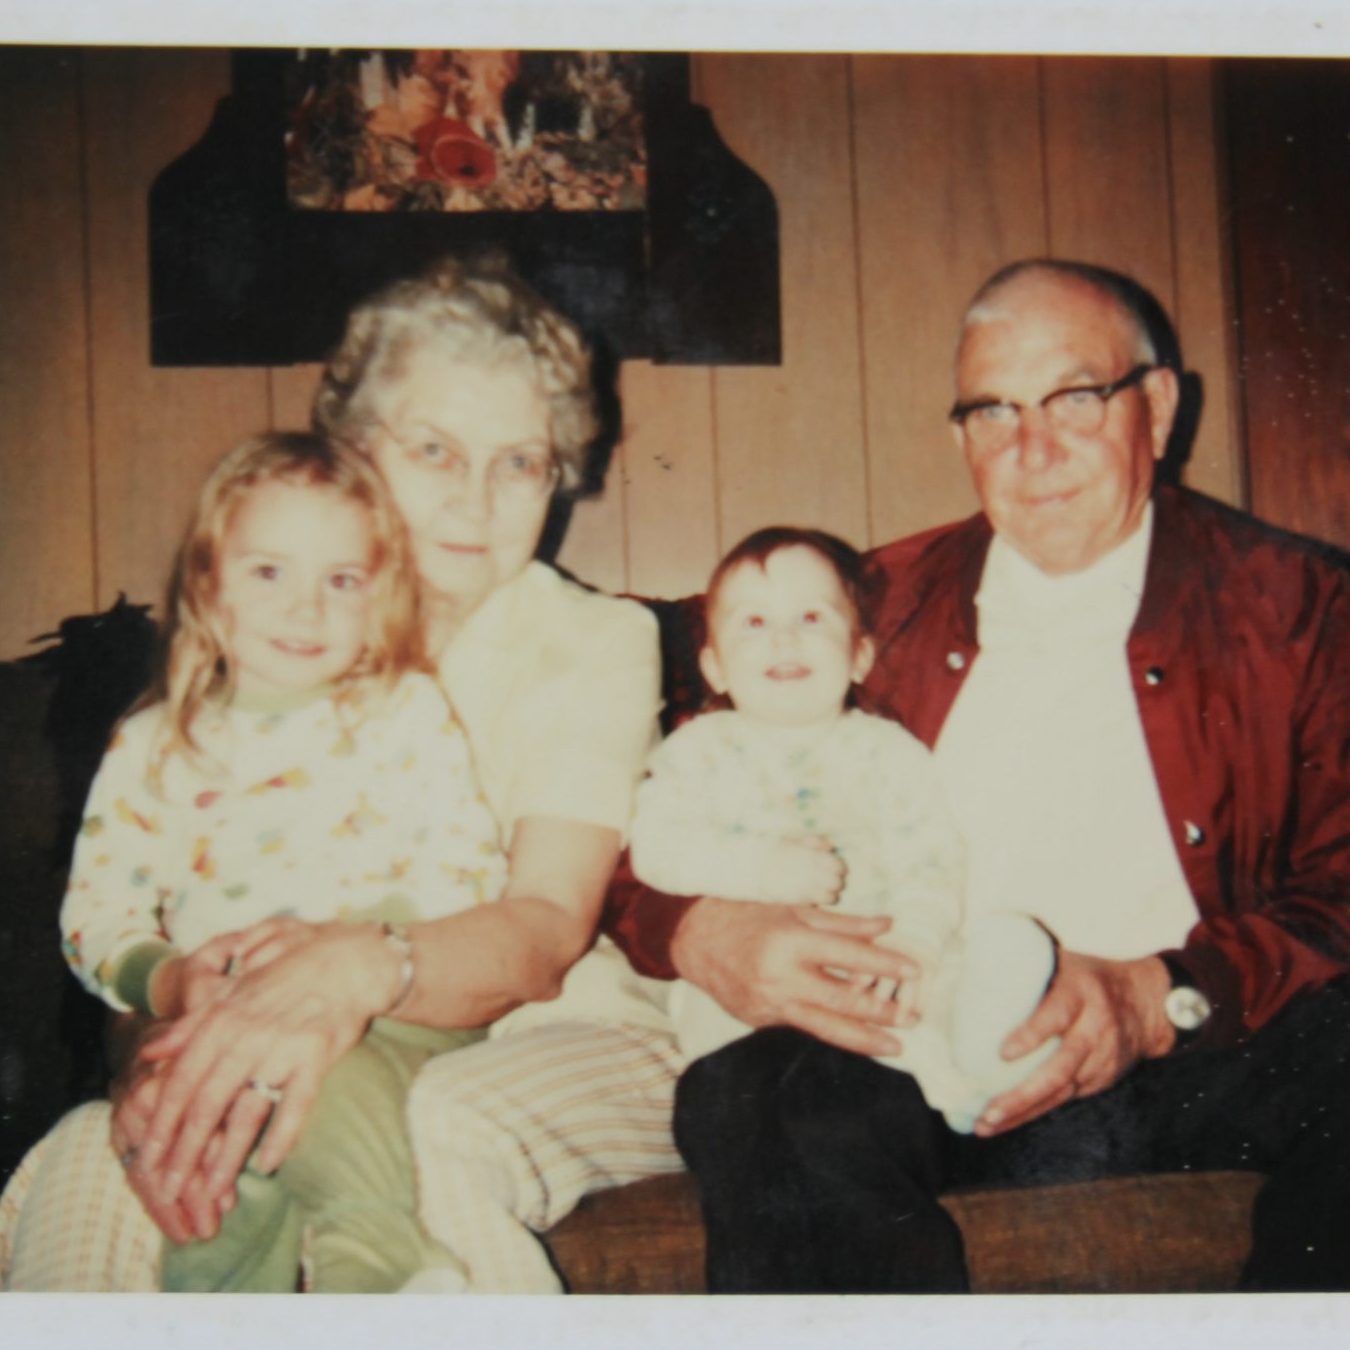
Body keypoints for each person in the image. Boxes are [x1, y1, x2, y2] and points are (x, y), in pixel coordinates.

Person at [606, 258, 1350, 1293]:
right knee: (756, 1091)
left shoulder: (1304, 611)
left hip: (1191, 1054)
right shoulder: (869, 606)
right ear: (961, 437)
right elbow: (635, 812)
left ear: (1161, 407)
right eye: (993, 412)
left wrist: (1161, 997)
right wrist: (697, 929)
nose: (1034, 448)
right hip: (921, 1049)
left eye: (1076, 399)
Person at [0, 256, 680, 1292]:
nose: (477, 498)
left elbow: (544, 930)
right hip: (301, 1047)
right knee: (94, 1161)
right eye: (435, 451)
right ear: (354, 452)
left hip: (560, 1037)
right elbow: (157, 922)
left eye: (521, 463)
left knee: (429, 1130)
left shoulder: (594, 641)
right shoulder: (252, 657)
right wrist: (163, 1066)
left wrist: (357, 969)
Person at [60, 430, 509, 1292]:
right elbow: (93, 916)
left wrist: (345, 957)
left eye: (341, 582)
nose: (307, 610)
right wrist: (169, 982)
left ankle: (379, 1275)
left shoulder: (403, 711)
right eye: (270, 573)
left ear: (380, 597)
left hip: (393, 1002)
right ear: (208, 586)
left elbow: (467, 871)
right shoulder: (153, 743)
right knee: (197, 1139)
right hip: (216, 1009)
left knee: (321, 1076)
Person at [628, 524, 1056, 1131]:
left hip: (884, 952)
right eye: (753, 623)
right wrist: (761, 868)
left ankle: (989, 1062)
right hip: (761, 978)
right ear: (714, 666)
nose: (783, 639)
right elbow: (656, 847)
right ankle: (952, 1082)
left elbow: (931, 856)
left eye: (810, 617)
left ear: (859, 656)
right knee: (731, 1042)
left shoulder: (889, 752)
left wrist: (915, 943)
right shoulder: (699, 752)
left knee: (943, 983)